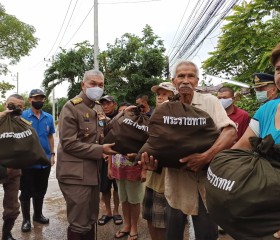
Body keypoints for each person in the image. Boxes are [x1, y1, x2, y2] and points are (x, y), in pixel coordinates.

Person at [139, 60, 237, 240]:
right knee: (173, 235)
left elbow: (230, 132)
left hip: (205, 185)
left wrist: (205, 157)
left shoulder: (210, 102)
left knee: (206, 234)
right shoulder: (165, 108)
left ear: (197, 81)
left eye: (190, 76)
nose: (186, 80)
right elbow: (157, 144)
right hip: (175, 185)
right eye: (181, 76)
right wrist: (152, 163)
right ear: (174, 81)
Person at [56, 69, 117, 240]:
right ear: (83, 85)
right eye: (93, 84)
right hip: (74, 174)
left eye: (101, 85)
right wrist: (101, 151)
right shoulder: (71, 107)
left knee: (90, 218)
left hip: (92, 171)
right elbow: (68, 144)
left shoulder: (97, 106)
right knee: (79, 223)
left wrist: (124, 118)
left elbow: (103, 131)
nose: (97, 87)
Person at [232, 44, 280, 239]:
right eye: (278, 69)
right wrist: (214, 166)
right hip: (266, 211)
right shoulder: (266, 110)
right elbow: (239, 150)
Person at [142, 82, 177, 240]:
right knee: (150, 217)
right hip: (152, 177)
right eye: (159, 94)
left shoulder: (180, 116)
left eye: (166, 93)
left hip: (169, 179)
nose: (161, 97)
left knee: (167, 222)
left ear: (174, 96)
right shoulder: (152, 116)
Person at [20, 89, 55, 232]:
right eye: (36, 98)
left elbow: (50, 136)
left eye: (41, 98)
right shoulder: (22, 116)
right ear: (30, 100)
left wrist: (52, 154)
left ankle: (38, 215)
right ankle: (26, 220)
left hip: (44, 161)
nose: (39, 100)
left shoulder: (49, 117)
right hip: (27, 162)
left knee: (41, 190)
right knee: (26, 192)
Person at [109, 102, 144, 240]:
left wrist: (143, 170)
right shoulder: (116, 129)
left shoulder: (140, 129)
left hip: (133, 168)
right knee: (124, 199)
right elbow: (111, 150)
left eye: (126, 112)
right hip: (118, 168)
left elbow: (144, 149)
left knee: (134, 200)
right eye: (121, 112)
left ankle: (134, 227)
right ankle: (127, 224)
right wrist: (110, 167)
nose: (123, 115)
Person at [0, 94, 24, 240]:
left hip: (13, 170)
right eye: (12, 105)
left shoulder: (23, 123)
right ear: (5, 105)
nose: (16, 108)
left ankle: (6, 233)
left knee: (12, 206)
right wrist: (3, 115)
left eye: (20, 106)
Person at [98, 95, 122, 226]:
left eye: (108, 103)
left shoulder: (121, 117)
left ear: (114, 104)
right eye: (103, 104)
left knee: (117, 187)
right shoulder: (97, 118)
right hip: (102, 157)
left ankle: (117, 211)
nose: (105, 106)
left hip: (118, 157)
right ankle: (108, 212)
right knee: (105, 188)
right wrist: (101, 151)